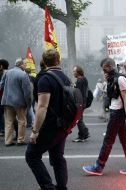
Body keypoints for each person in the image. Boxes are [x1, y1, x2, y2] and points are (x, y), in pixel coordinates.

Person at [83, 57, 126, 176]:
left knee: (108, 140)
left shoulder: (120, 79)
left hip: (118, 113)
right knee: (124, 140)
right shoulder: (113, 79)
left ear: (110, 67)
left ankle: (99, 166)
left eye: (104, 69)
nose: (103, 72)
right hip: (115, 112)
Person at [25, 49, 70, 190]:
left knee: (31, 155)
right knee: (58, 158)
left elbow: (42, 107)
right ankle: (62, 187)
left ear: (44, 62)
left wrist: (35, 131)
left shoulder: (45, 79)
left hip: (50, 125)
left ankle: (48, 186)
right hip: (63, 125)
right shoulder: (65, 77)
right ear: (59, 61)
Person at [1, 58, 32, 146]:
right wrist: (28, 104)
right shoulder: (23, 74)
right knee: (22, 121)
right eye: (25, 64)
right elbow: (27, 92)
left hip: (7, 101)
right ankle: (20, 140)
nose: (26, 65)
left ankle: (8, 141)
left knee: (8, 122)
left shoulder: (7, 73)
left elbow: (1, 85)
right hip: (20, 102)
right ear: (21, 65)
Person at [72, 65, 90, 142]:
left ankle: (83, 134)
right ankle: (84, 133)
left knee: (79, 119)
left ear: (78, 72)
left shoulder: (79, 81)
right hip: (83, 102)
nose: (73, 73)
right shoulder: (84, 79)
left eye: (74, 71)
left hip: (80, 102)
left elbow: (77, 93)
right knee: (79, 118)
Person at [0, 59, 9, 136]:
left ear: (1, 66)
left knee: (7, 115)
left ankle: (2, 129)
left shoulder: (6, 74)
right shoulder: (4, 73)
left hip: (4, 97)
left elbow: (2, 85)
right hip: (4, 97)